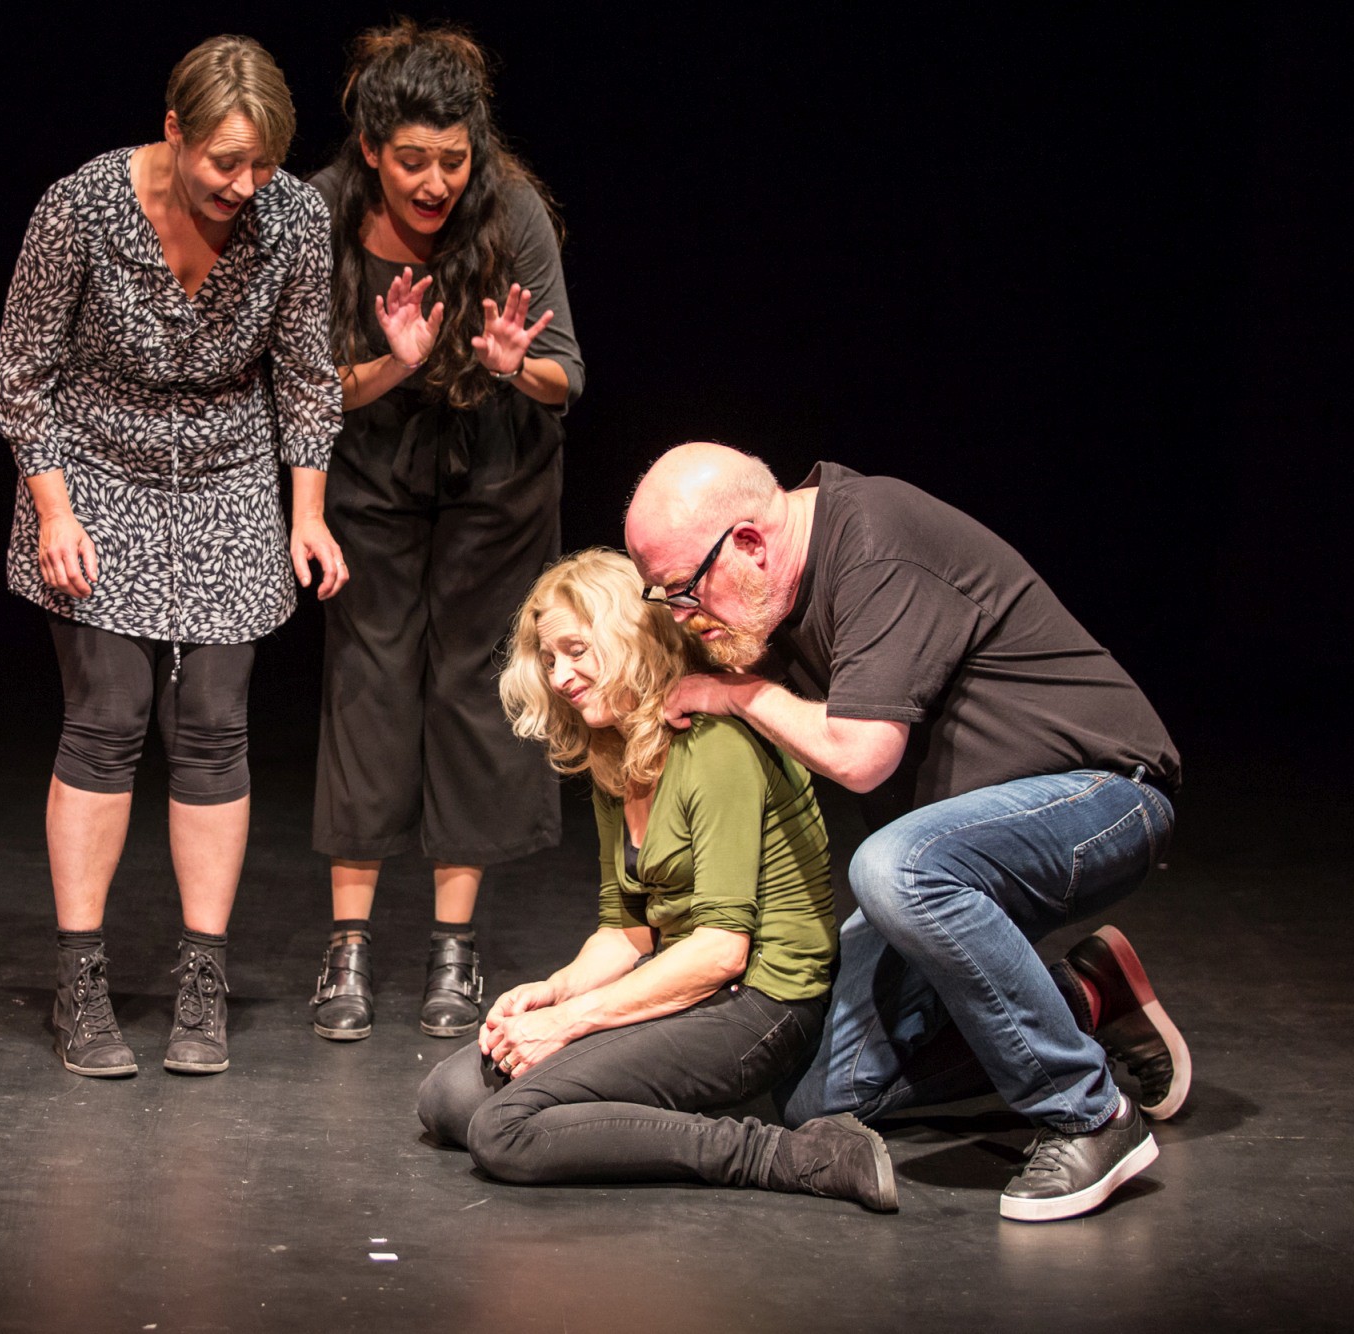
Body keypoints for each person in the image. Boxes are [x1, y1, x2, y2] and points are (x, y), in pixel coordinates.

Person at [624, 443, 1189, 1222]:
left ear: (749, 542)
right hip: (962, 854)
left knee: (895, 868)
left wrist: (737, 695)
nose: (684, 615)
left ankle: (1088, 1114)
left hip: (1105, 795)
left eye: (686, 591)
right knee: (812, 1095)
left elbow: (860, 757)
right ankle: (1087, 997)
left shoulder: (877, 546)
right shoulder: (768, 593)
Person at [0, 35, 344, 1078]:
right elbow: (22, 377)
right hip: (95, 468)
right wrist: (53, 510)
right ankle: (81, 978)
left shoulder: (294, 219)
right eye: (225, 162)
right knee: (106, 717)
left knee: (215, 726)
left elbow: (307, 379)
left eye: (263, 164)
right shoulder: (80, 207)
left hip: (227, 474)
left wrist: (307, 512)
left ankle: (202, 977)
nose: (245, 186)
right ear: (174, 129)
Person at [415, 550, 898, 1210]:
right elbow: (628, 928)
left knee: (504, 1131)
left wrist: (569, 1024)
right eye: (549, 659)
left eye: (576, 651)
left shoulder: (714, 745)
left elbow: (722, 951)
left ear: (631, 638)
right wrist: (554, 992)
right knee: (448, 1099)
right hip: (687, 981)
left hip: (761, 1004)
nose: (560, 676)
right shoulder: (614, 750)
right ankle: (629, 1104)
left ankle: (789, 1154)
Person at [307, 20, 584, 1043]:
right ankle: (346, 945)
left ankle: (453, 948)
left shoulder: (509, 209)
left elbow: (566, 377)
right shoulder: (322, 212)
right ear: (371, 148)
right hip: (371, 466)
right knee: (368, 680)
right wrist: (395, 363)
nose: (434, 182)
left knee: (475, 686)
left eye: (452, 160)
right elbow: (305, 391)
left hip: (496, 470)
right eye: (413, 160)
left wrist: (512, 364)